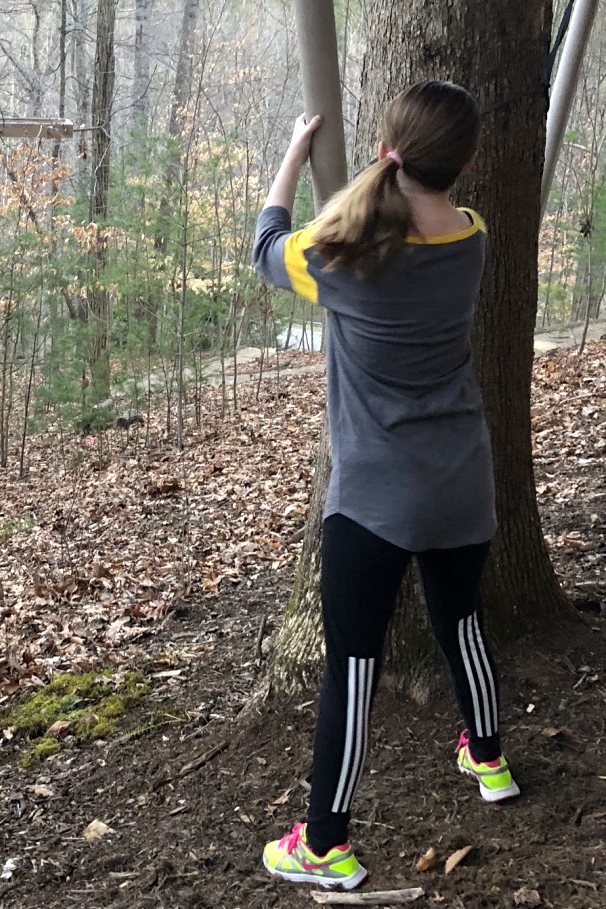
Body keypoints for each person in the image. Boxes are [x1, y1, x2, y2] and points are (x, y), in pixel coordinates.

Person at [252, 82, 519, 892]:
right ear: (466, 164)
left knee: (355, 664)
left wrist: (295, 154)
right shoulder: (472, 237)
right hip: (462, 478)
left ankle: (325, 843)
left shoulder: (342, 259)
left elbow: (266, 244)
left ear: (383, 149)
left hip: (374, 495)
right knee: (462, 622)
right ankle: (489, 756)